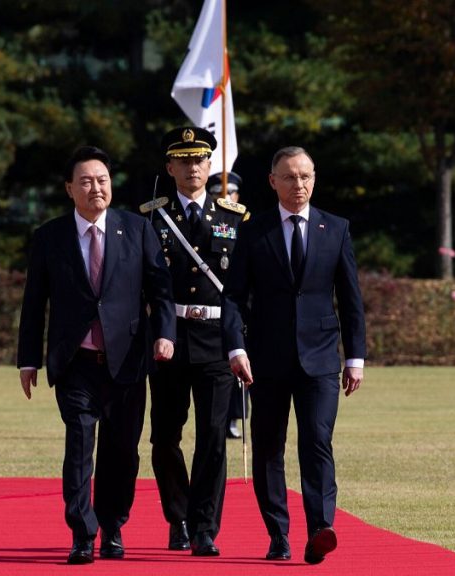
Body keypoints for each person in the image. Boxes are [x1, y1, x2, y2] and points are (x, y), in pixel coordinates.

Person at [17, 145, 176, 565]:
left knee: (122, 452)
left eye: (102, 180)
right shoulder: (50, 237)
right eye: (85, 182)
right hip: (75, 364)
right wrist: (28, 359)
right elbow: (34, 303)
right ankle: (82, 533)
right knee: (79, 445)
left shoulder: (137, 229)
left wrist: (165, 334)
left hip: (126, 362)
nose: (95, 188)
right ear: (70, 188)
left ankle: (112, 526)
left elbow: (160, 289)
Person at [222, 146, 366, 565]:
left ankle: (320, 528)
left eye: (305, 176)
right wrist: (236, 347)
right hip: (265, 359)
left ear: (314, 178)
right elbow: (232, 298)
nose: (298, 184)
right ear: (273, 182)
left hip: (321, 359)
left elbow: (351, 299)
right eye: (289, 177)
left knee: (317, 441)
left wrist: (354, 357)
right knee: (268, 447)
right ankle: (278, 534)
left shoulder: (335, 229)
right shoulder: (253, 231)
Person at [141, 127, 247, 557]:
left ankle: (205, 526)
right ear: (170, 168)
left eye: (199, 160)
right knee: (165, 435)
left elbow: (241, 288)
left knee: (213, 435)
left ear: (210, 166)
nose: (192, 168)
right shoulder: (151, 217)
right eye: (183, 161)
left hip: (217, 339)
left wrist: (240, 341)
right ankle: (177, 518)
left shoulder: (233, 217)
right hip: (168, 339)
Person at [208, 171, 249, 440]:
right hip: (210, 307)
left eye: (231, 192)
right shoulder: (204, 221)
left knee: (240, 370)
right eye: (219, 192)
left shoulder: (244, 222)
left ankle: (237, 416)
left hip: (236, 309)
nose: (225, 196)